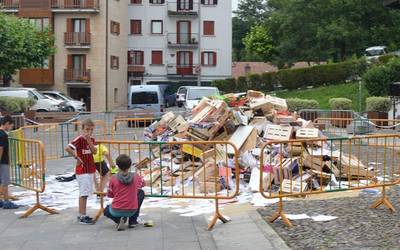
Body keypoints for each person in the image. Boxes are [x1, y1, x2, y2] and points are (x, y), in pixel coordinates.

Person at [65, 119, 98, 225]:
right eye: (87, 129)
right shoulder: (79, 139)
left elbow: (94, 151)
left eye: (91, 129)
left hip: (90, 169)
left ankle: (83, 213)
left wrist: (89, 140)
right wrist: (77, 157)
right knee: (83, 193)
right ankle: (81, 215)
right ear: (83, 129)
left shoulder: (91, 139)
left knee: (87, 192)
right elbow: (68, 148)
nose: (89, 132)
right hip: (82, 170)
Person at [104, 154, 145, 231]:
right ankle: (132, 221)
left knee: (105, 210)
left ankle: (119, 220)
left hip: (116, 210)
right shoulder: (136, 176)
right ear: (129, 166)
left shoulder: (113, 178)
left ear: (118, 166)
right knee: (141, 193)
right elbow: (143, 184)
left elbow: (110, 195)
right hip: (132, 210)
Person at [0, 116, 19, 209]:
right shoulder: (3, 135)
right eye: (11, 126)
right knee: (5, 182)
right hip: (3, 161)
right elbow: (1, 148)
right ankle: (6, 201)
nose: (11, 128)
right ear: (7, 123)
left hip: (2, 161)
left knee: (1, 181)